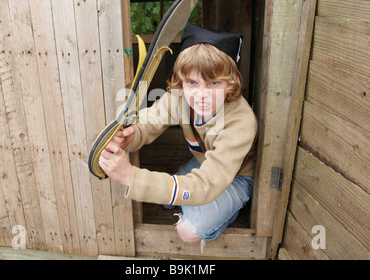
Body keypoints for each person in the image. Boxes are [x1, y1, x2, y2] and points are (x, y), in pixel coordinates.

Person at [99, 22, 257, 248]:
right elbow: (148, 122)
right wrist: (129, 137)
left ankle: (230, 208)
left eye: (213, 83)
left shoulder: (241, 121)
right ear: (181, 81)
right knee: (174, 198)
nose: (201, 95)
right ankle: (194, 201)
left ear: (230, 84)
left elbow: (207, 184)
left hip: (235, 177)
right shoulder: (180, 97)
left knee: (187, 231)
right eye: (192, 82)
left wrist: (131, 177)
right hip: (202, 162)